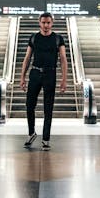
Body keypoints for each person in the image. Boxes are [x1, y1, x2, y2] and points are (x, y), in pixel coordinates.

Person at [20, 12, 68, 151]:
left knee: (48, 108)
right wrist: (22, 77)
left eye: (48, 22)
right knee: (29, 105)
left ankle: (46, 139)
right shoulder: (34, 37)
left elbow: (63, 60)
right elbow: (27, 57)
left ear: (52, 23)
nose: (46, 25)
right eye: (43, 22)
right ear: (39, 23)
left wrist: (64, 80)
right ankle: (31, 133)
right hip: (35, 73)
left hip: (50, 74)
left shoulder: (58, 39)